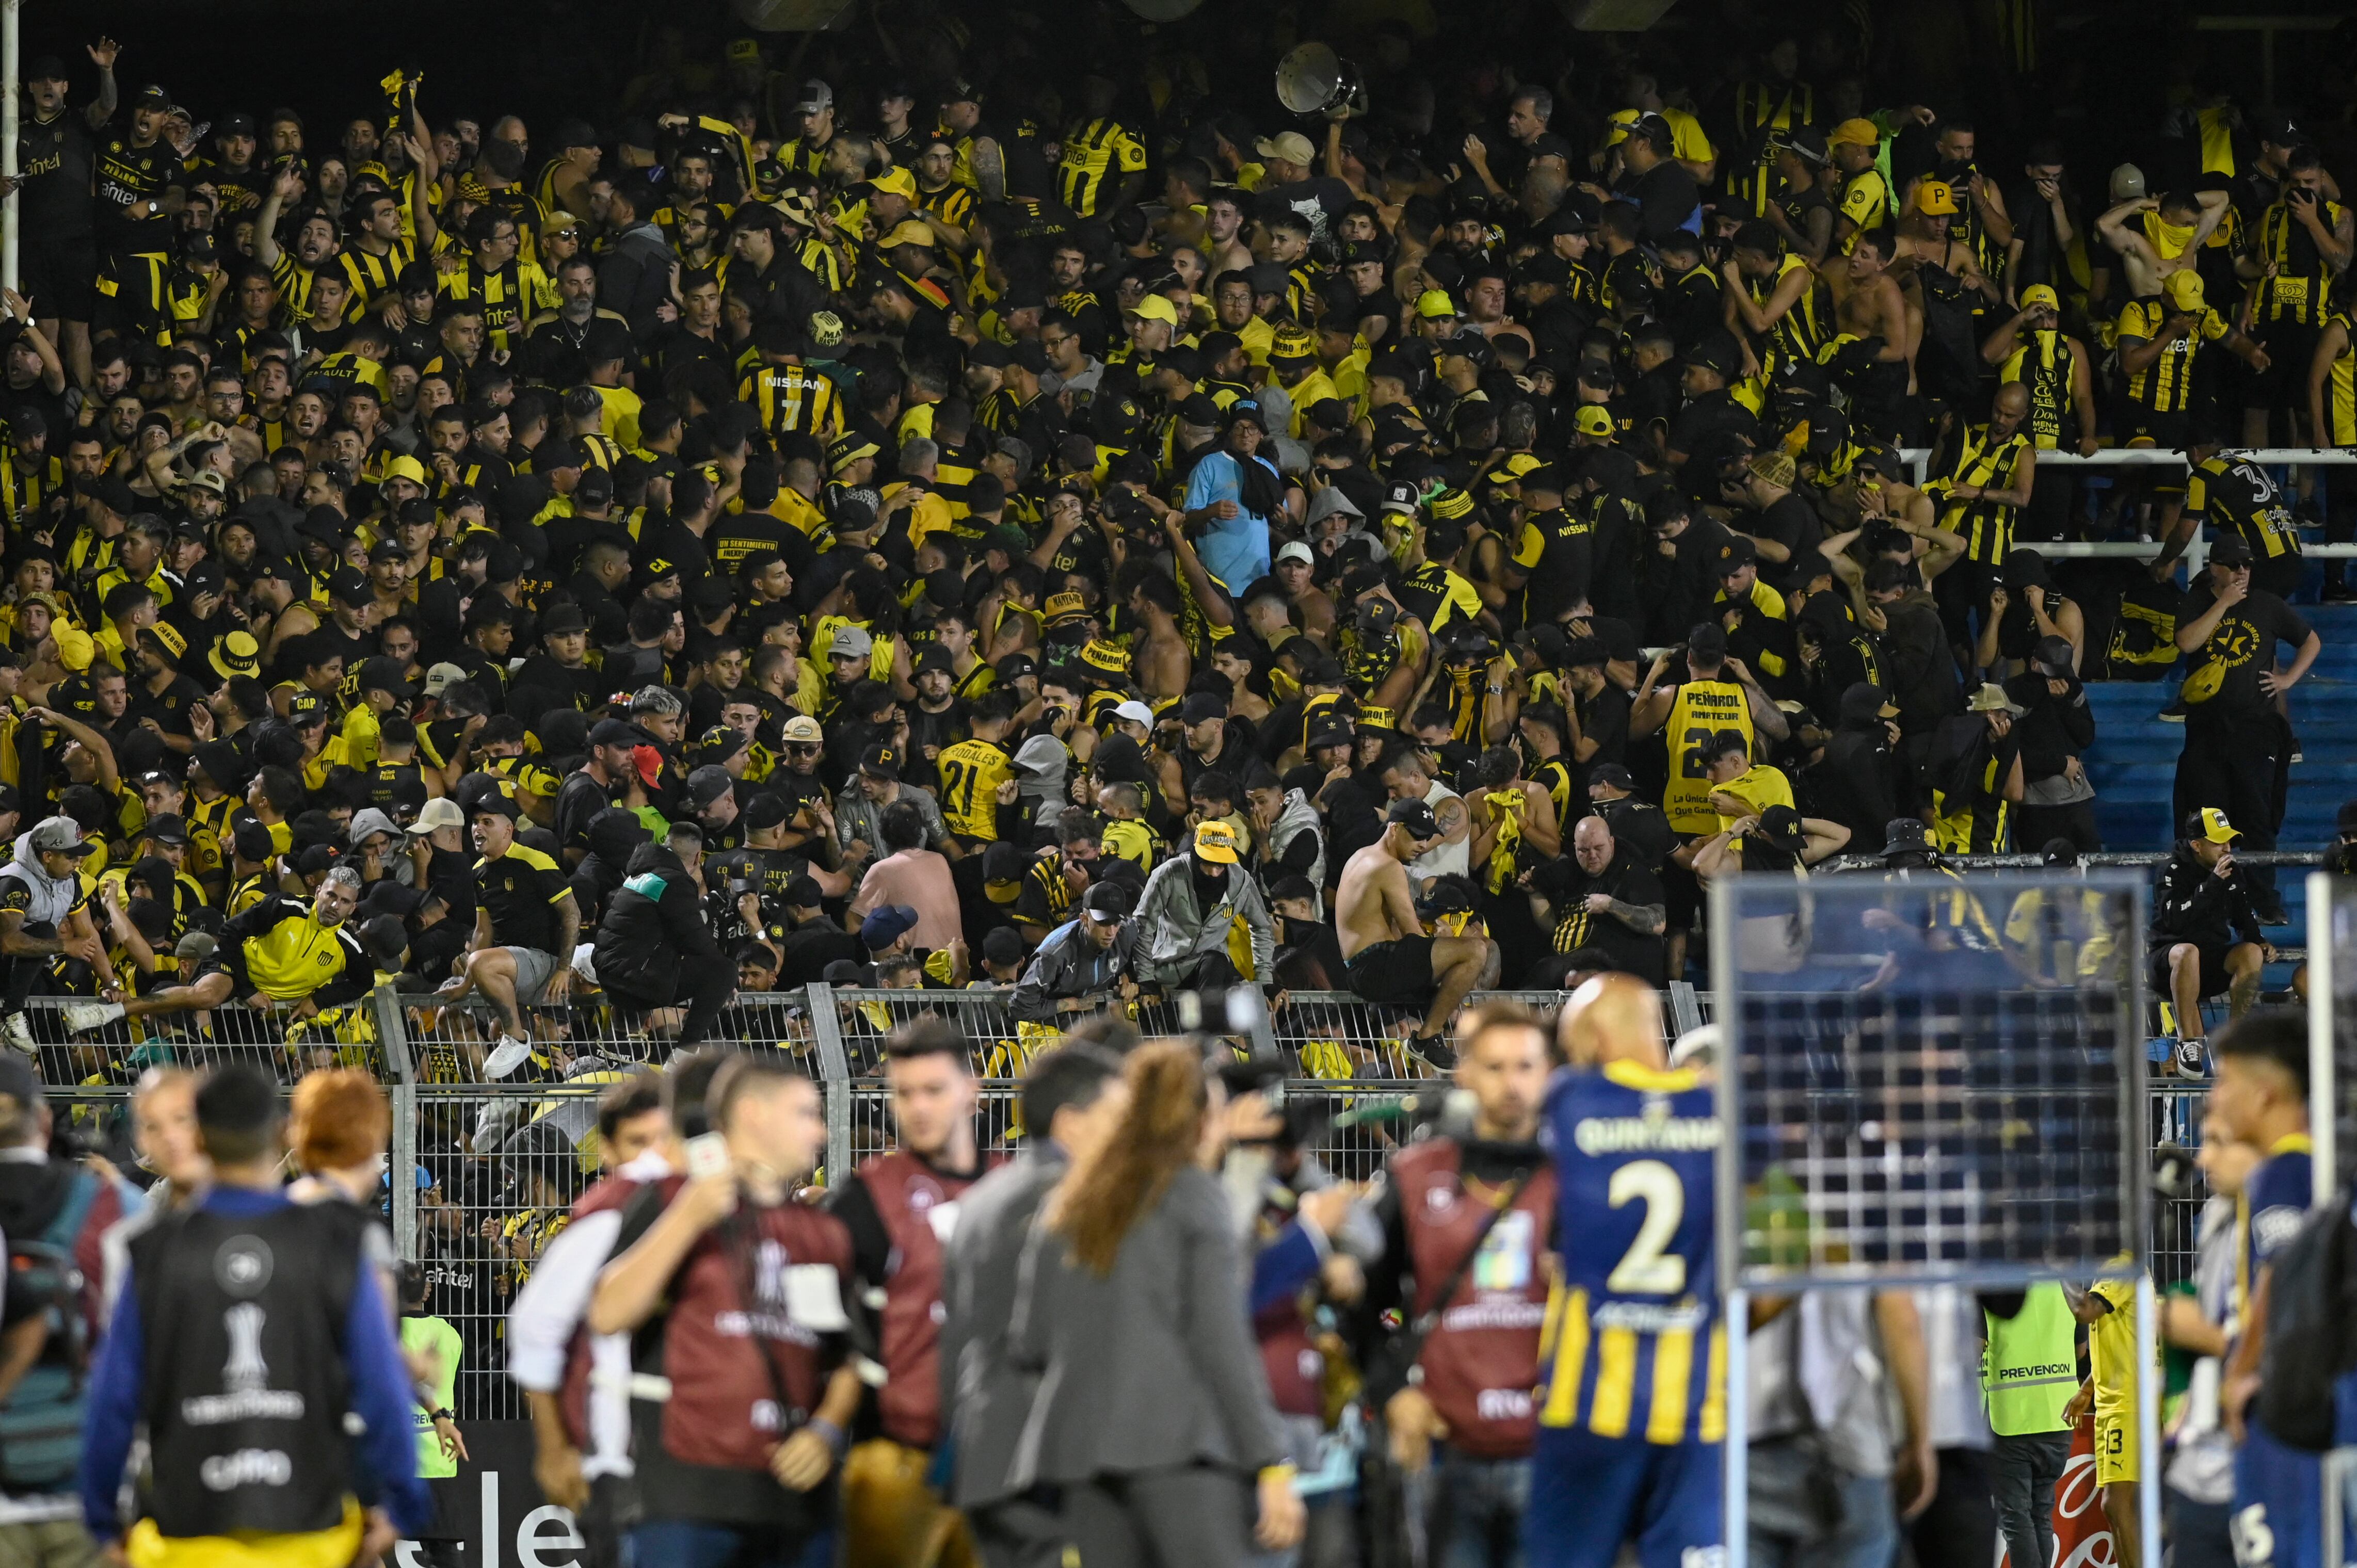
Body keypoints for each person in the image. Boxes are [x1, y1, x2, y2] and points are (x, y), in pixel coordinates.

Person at [78, 1065, 430, 1565]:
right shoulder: (334, 1243)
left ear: (200, 1137)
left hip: (188, 1538)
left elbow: (113, 1399)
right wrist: (402, 1504)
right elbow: (380, 1385)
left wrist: (102, 1521)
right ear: (281, 1132)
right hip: (310, 1536)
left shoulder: (150, 1252)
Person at [1005, 1040, 1303, 1566]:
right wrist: (1271, 1459)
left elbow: (1029, 1340)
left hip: (1080, 1460)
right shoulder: (1192, 1192)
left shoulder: (1069, 1197)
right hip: (1178, 1452)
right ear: (1199, 1124)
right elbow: (1221, 1340)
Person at [588, 1053, 863, 1568]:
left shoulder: (817, 1230)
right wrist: (690, 1215)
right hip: (687, 1499)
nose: (820, 1131)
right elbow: (607, 1311)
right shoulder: (668, 1201)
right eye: (804, 1114)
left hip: (796, 1503)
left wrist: (826, 1429)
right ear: (755, 1114)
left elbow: (844, 1354)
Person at [1526, 975, 1720, 1568]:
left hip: (1585, 1403)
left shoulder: (1568, 1101)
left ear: (1594, 1035)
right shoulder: (1725, 1116)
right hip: (1698, 1407)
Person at [1357, 1003, 1553, 1568]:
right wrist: (1392, 1392)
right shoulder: (1416, 1176)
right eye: (1494, 1068)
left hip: (1551, 1451)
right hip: (1447, 1447)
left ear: (1547, 1074)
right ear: (1463, 1073)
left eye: (1525, 1066)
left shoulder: (1576, 1178)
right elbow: (1363, 1301)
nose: (1511, 1084)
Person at [939, 1045, 1130, 1568]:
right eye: (1117, 1115)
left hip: (986, 1456)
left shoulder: (980, 1200)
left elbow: (954, 1340)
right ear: (1071, 1124)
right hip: (1052, 1465)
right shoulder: (1074, 1200)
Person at [827, 1019, 993, 1568]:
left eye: (934, 1090)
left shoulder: (1016, 1190)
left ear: (972, 1091)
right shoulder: (865, 1197)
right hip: (897, 1461)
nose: (918, 1108)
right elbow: (827, 1327)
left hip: (1006, 1458)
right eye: (904, 1093)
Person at [2210, 1010, 2320, 1568]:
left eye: (2225, 1080)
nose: (2215, 1096)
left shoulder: (2285, 1171)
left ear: (2264, 1094)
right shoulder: (2311, 1169)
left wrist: (2239, 1373)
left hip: (2279, 1416)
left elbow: (2281, 1273)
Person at [1335, 798, 1497, 1064]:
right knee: (1475, 951)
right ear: (1395, 828)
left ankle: (1436, 1035)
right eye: (1417, 836)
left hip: (1362, 967)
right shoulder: (1388, 866)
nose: (1423, 845)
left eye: (1427, 837)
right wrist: (1440, 947)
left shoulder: (1360, 856)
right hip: (1376, 966)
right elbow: (1413, 932)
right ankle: (1426, 1039)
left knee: (1451, 980)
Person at [2147, 809, 2273, 1077]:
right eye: (2218, 842)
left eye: (2228, 840)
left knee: (2251, 953)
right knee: (2188, 952)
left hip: (2210, 962)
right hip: (2168, 962)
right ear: (2197, 845)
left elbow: (2242, 913)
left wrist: (2259, 940)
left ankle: (2235, 1040)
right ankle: (2187, 1044)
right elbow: (2175, 922)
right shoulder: (2171, 871)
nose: (2227, 847)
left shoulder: (2231, 870)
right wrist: (2212, 884)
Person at [592, 828, 736, 1048]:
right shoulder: (676, 882)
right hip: (636, 982)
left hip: (609, 976)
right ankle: (685, 1053)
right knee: (725, 971)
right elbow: (697, 942)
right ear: (698, 857)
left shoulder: (638, 875)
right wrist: (725, 984)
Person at [1127, 821, 1275, 997]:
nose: (1214, 872)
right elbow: (1143, 925)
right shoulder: (1169, 874)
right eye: (1208, 863)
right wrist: (1145, 979)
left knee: (1219, 964)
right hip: (1168, 972)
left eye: (1220, 865)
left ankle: (1207, 1022)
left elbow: (1262, 927)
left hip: (1214, 969)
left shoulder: (1241, 882)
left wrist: (1265, 980)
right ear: (1196, 854)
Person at [1009, 883, 1136, 1023]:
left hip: (1095, 1027)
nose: (1111, 932)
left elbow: (1123, 964)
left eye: (1116, 923)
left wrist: (1128, 979)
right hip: (1052, 1030)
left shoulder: (1126, 934)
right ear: (1084, 919)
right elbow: (1019, 1008)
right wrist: (1072, 1004)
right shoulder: (1053, 955)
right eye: (1103, 923)